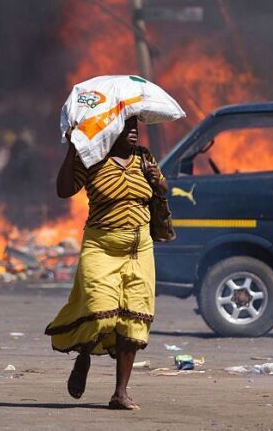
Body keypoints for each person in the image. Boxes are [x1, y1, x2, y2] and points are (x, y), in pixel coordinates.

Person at [45, 116, 167, 410]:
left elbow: (162, 190)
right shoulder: (93, 157)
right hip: (101, 246)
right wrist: (73, 148)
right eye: (127, 126)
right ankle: (84, 355)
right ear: (112, 129)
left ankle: (120, 393)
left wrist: (157, 180)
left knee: (134, 320)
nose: (135, 131)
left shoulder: (144, 158)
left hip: (140, 249)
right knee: (100, 312)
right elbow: (64, 189)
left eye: (136, 126)